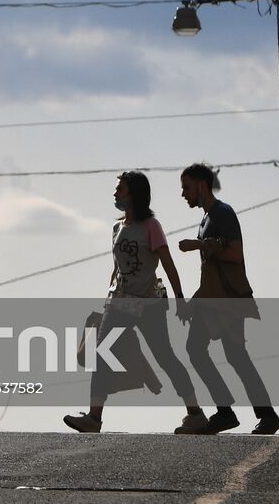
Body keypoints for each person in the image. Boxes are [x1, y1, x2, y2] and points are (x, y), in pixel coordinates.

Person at [63, 171, 209, 434]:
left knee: (165, 358)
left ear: (134, 194)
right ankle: (94, 418)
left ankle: (196, 414)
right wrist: (108, 295)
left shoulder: (151, 226)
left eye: (121, 188)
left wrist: (180, 300)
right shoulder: (117, 227)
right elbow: (117, 267)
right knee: (102, 354)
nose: (116, 193)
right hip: (119, 303)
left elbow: (167, 263)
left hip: (148, 305)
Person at [177, 163, 279, 435]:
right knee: (233, 355)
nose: (183, 194)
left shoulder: (223, 213)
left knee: (199, 350)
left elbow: (235, 254)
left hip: (229, 302)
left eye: (186, 187)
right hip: (215, 301)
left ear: (201, 186)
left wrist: (198, 245)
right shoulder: (206, 219)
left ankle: (227, 413)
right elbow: (211, 273)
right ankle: (263, 415)